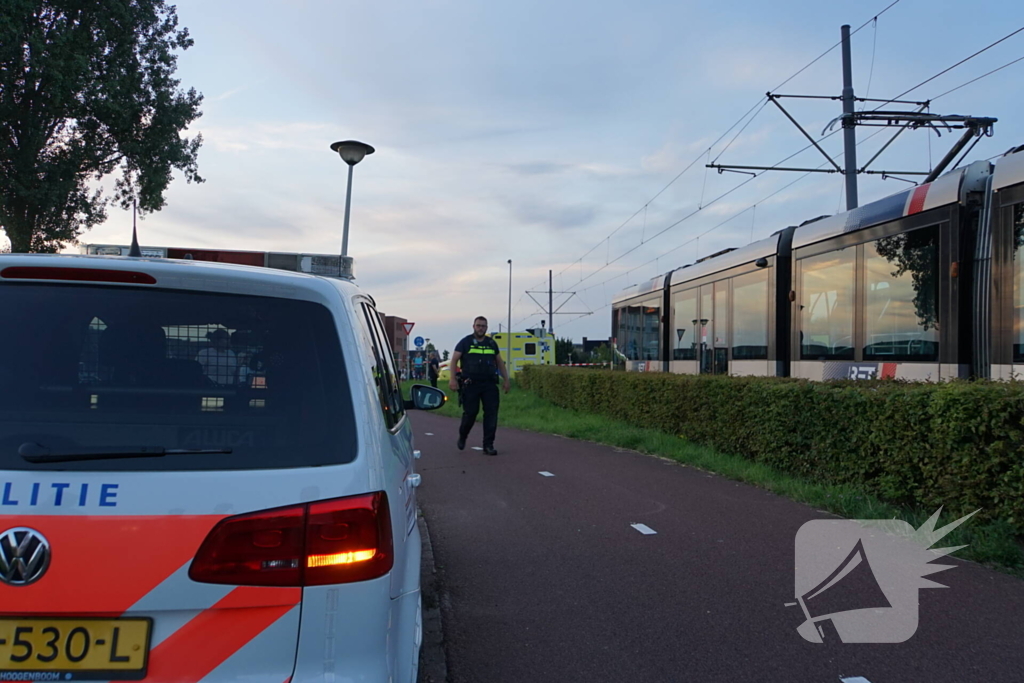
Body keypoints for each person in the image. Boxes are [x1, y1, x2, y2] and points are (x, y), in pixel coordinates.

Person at [449, 316, 510, 456]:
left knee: (491, 414)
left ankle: (488, 445)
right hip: (471, 384)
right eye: (478, 325)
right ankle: (463, 435)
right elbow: (454, 360)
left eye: (483, 326)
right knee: (471, 413)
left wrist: (506, 380)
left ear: (487, 328)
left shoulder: (491, 343)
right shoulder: (465, 342)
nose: (481, 328)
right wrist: (452, 379)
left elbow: (500, 362)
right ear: (473, 326)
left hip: (489, 384)